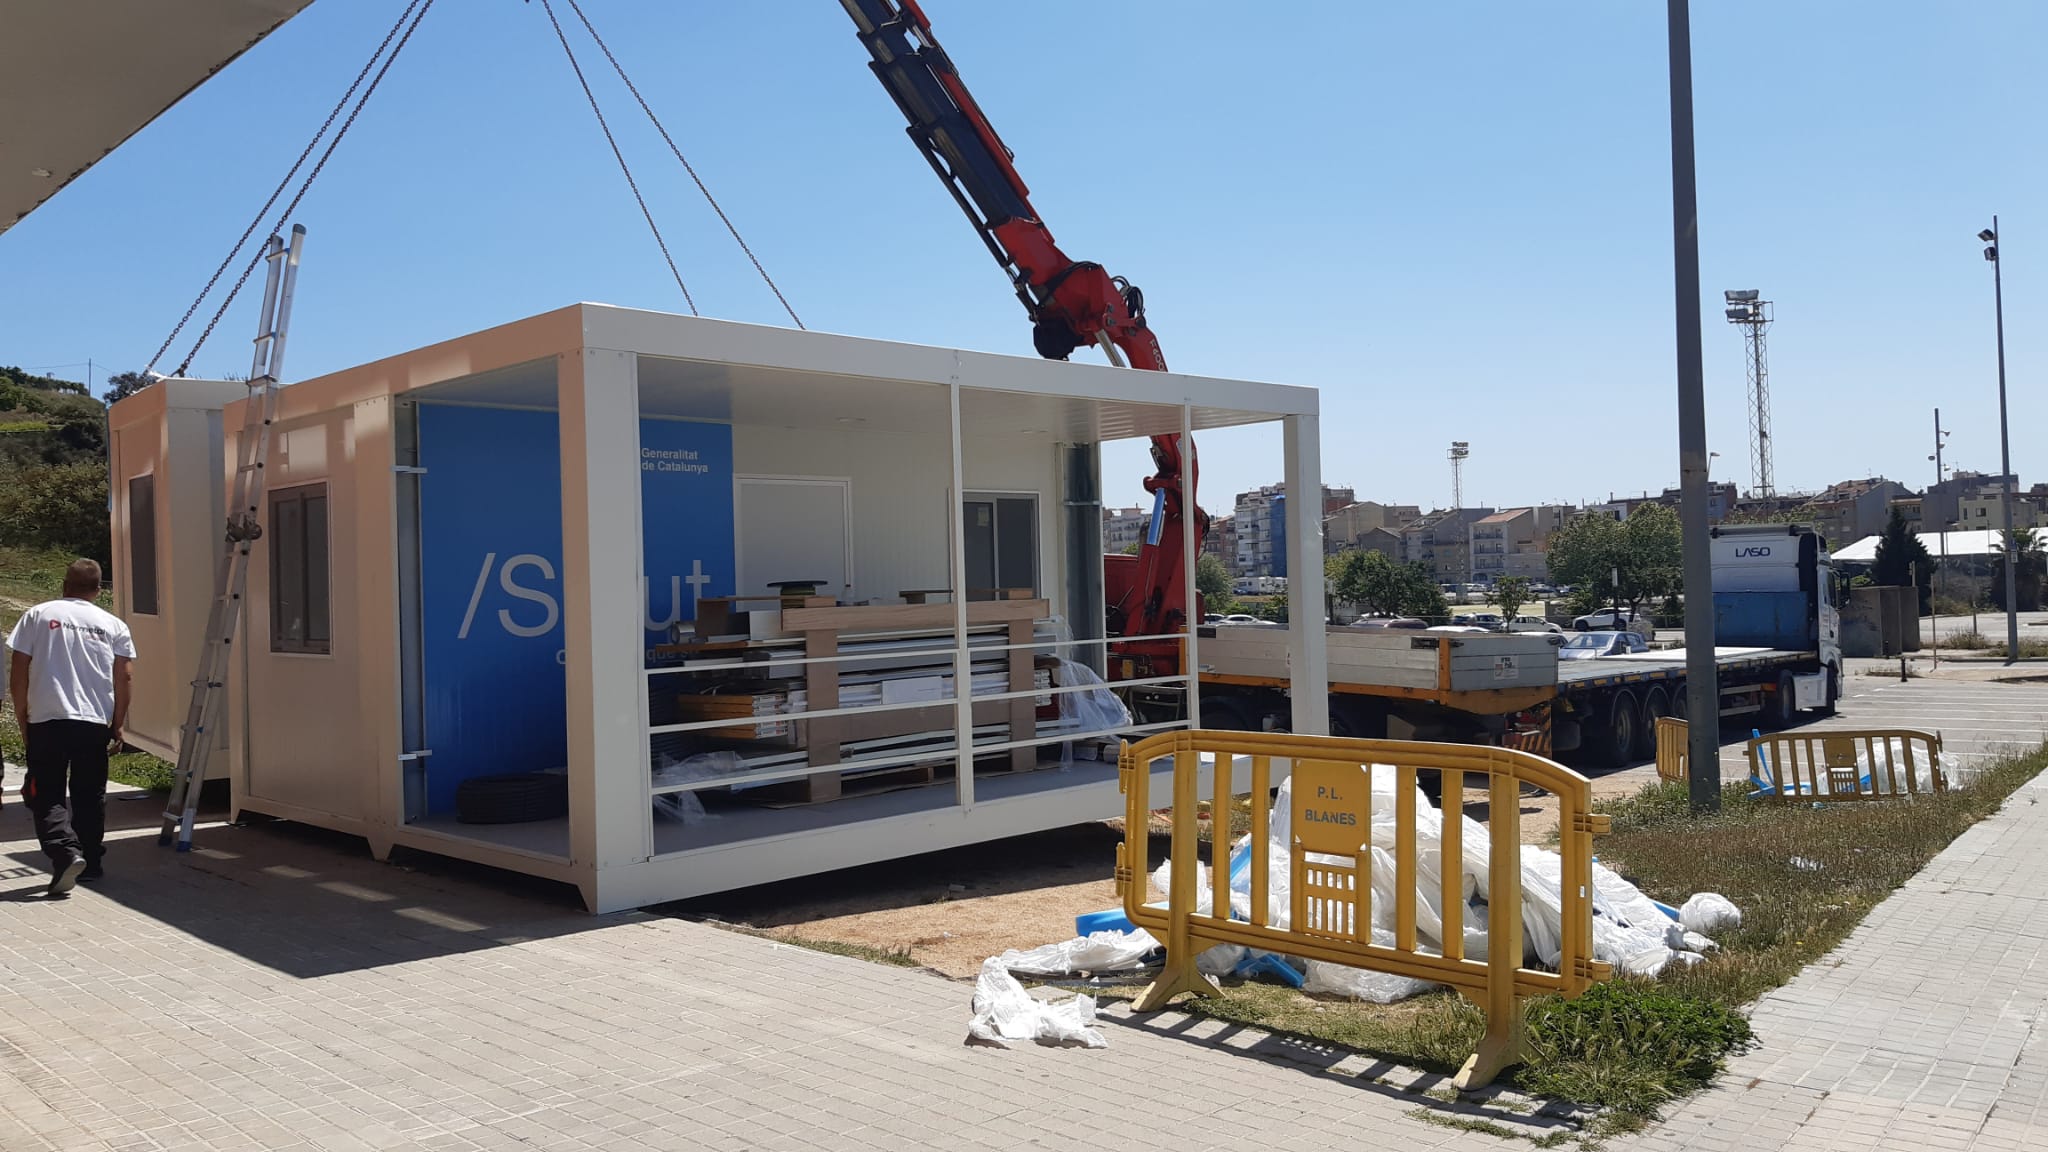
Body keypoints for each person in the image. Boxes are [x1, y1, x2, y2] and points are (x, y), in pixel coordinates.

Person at [6, 559, 135, 898]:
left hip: (47, 719)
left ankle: (65, 851)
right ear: (98, 590)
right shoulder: (113, 624)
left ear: (65, 585)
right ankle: (90, 862)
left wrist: (23, 716)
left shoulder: (38, 614)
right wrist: (118, 724)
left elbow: (18, 669)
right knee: (90, 793)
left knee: (44, 791)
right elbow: (124, 677)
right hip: (92, 721)